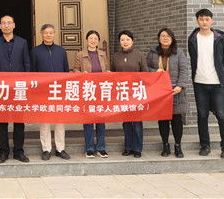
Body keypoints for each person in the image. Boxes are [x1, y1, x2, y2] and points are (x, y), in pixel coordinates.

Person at [188, 8, 224, 159]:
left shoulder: (219, 38)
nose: (204, 22)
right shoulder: (193, 39)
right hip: (199, 82)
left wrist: (218, 70)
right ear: (197, 21)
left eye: (207, 19)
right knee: (202, 115)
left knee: (222, 115)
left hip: (216, 83)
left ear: (211, 21)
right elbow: (193, 58)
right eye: (201, 19)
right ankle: (204, 145)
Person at [0, 15, 30, 163]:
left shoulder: (22, 42)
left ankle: (19, 151)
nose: (6, 25)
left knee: (19, 122)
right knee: (2, 123)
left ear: (14, 25)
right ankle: (3, 152)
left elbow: (26, 64)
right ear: (0, 26)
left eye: (9, 23)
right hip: (2, 90)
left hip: (19, 89)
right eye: (4, 23)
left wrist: (27, 84)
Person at [146, 28, 188, 158]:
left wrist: (180, 85)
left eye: (168, 36)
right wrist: (154, 71)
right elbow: (145, 68)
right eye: (163, 36)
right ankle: (165, 145)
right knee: (163, 119)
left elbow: (184, 70)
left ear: (172, 38)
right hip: (159, 90)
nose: (165, 38)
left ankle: (178, 146)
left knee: (176, 119)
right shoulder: (153, 52)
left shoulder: (179, 52)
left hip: (175, 90)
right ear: (159, 38)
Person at [30, 24, 70, 161]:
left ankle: (60, 149)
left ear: (54, 34)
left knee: (60, 121)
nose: (48, 35)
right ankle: (46, 149)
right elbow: (32, 73)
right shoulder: (35, 51)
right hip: (43, 91)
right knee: (44, 121)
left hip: (59, 90)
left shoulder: (61, 51)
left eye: (51, 32)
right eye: (46, 33)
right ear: (41, 34)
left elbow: (66, 71)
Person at [73, 30, 110, 158]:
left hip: (101, 90)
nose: (93, 40)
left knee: (101, 120)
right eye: (91, 38)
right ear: (86, 40)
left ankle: (101, 148)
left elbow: (106, 68)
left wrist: (108, 73)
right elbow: (75, 70)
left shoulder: (103, 54)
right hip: (88, 90)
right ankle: (89, 148)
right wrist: (81, 74)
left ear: (98, 41)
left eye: (95, 38)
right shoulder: (80, 55)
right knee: (88, 120)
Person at [111, 30, 147, 158]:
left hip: (136, 92)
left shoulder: (139, 55)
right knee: (126, 122)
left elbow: (145, 73)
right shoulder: (116, 56)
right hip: (123, 93)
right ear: (119, 42)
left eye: (127, 39)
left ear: (132, 41)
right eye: (122, 40)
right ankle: (128, 147)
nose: (125, 42)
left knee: (137, 122)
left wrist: (133, 79)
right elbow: (113, 74)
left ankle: (137, 148)